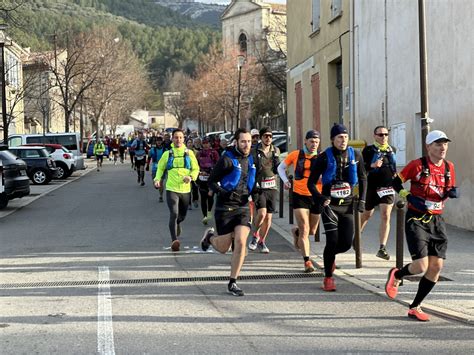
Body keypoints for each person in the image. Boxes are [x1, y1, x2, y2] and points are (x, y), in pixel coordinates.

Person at [385, 130, 457, 322]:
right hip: (416, 218)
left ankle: (415, 306)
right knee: (421, 266)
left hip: (437, 221)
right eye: (438, 144)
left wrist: (451, 192)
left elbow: (448, 187)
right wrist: (407, 196)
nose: (443, 148)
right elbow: (395, 182)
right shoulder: (417, 165)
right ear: (428, 147)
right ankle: (397, 274)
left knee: (436, 267)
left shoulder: (449, 167)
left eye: (445, 144)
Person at [307, 124, 367, 292]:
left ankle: (330, 257)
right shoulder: (323, 157)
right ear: (333, 139)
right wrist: (320, 197)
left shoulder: (356, 155)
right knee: (332, 240)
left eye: (345, 137)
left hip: (348, 205)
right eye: (340, 137)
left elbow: (363, 179)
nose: (343, 140)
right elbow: (311, 182)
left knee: (346, 244)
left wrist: (362, 201)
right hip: (330, 205)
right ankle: (328, 278)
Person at [200, 128, 256, 297]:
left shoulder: (253, 158)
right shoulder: (226, 159)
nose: (246, 145)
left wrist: (258, 192)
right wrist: (222, 192)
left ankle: (233, 282)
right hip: (225, 207)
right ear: (236, 142)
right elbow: (211, 181)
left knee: (240, 241)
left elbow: (255, 178)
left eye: (249, 141)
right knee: (224, 248)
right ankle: (210, 237)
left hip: (243, 207)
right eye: (243, 141)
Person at [277, 130, 322, 272]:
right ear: (305, 141)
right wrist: (285, 181)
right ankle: (307, 261)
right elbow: (281, 168)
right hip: (300, 195)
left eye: (316, 142)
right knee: (305, 229)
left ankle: (296, 232)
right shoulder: (296, 155)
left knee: (312, 231)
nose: (314, 144)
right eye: (311, 141)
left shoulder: (322, 157)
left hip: (316, 195)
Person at [154, 129, 200, 252]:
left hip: (185, 190)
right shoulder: (167, 154)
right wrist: (157, 179)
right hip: (171, 188)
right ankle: (174, 240)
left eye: (180, 137)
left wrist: (190, 177)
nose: (178, 140)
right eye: (175, 137)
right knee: (173, 213)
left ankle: (178, 223)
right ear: (172, 139)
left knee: (182, 215)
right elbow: (160, 168)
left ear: (183, 139)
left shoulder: (189, 153)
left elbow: (196, 169)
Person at [359, 126, 397, 260]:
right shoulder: (368, 150)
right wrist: (372, 166)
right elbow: (361, 169)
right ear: (374, 136)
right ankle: (357, 236)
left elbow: (394, 168)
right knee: (366, 215)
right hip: (371, 187)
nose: (384, 137)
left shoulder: (392, 150)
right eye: (380, 135)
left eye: (386, 134)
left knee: (386, 215)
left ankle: (382, 247)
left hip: (387, 187)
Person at [248, 127, 280, 253]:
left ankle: (262, 241)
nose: (268, 138)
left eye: (270, 136)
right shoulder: (254, 151)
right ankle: (255, 235)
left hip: (271, 186)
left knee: (268, 218)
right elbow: (250, 167)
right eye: (266, 136)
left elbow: (278, 168)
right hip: (258, 187)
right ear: (261, 137)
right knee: (261, 213)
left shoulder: (275, 150)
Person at [196, 137, 220, 224]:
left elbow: (218, 165)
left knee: (210, 196)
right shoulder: (199, 153)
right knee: (203, 197)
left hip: (211, 178)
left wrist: (212, 173)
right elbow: (196, 165)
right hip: (202, 178)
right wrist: (200, 172)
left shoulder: (214, 153)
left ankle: (209, 211)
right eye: (204, 143)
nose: (206, 145)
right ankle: (204, 216)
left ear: (210, 144)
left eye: (207, 143)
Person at [146, 136, 167, 202]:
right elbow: (149, 157)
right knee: (155, 181)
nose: (158, 142)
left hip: (163, 168)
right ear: (156, 142)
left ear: (162, 142)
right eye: (157, 141)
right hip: (155, 167)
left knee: (161, 182)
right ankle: (156, 185)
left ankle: (160, 196)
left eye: (160, 141)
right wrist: (147, 165)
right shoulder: (152, 150)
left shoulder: (165, 150)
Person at [186, 138, 200, 209]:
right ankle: (188, 203)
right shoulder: (184, 152)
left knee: (195, 187)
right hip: (186, 172)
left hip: (194, 172)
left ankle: (195, 199)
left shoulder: (196, 152)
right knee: (188, 188)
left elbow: (198, 162)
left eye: (191, 142)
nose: (190, 144)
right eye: (188, 142)